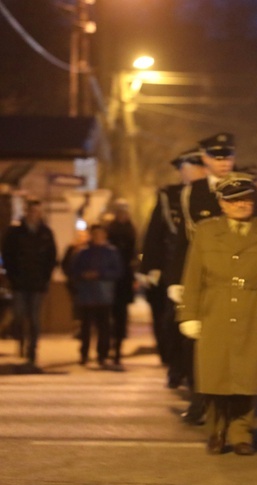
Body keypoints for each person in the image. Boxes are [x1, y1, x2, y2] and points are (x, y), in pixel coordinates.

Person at [178, 172, 257, 455]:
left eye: (246, 199)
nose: (242, 205)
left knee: (249, 377)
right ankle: (216, 430)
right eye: (234, 200)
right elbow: (193, 276)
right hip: (214, 310)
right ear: (221, 203)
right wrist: (188, 315)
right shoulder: (206, 231)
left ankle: (242, 432)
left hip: (253, 310)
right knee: (214, 377)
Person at [171, 133, 236, 424]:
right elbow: (183, 241)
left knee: (232, 343)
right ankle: (199, 400)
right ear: (205, 159)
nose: (223, 163)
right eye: (216, 157)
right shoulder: (191, 192)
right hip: (202, 277)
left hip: (234, 277)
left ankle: (229, 403)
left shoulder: (242, 187)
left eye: (227, 156)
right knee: (194, 343)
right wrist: (177, 280)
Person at [140, 147, 206, 388]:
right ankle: (177, 365)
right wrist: (149, 266)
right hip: (176, 267)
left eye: (195, 167)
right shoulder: (171, 195)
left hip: (205, 266)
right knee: (173, 321)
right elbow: (155, 232)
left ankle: (194, 371)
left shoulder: (212, 192)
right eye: (187, 169)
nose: (191, 172)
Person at [1, 198, 57, 366]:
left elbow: (52, 257)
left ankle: (32, 350)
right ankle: (21, 341)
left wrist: (46, 277)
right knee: (18, 315)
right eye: (32, 211)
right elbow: (8, 254)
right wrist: (12, 276)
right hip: (19, 282)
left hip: (38, 283)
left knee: (34, 316)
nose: (35, 214)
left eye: (38, 211)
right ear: (27, 212)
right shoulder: (15, 231)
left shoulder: (46, 232)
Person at [71, 224, 123, 369]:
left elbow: (118, 271)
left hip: (104, 294)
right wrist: (84, 275)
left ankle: (102, 354)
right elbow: (74, 270)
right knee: (86, 327)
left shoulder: (111, 252)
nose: (97, 237)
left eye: (100, 234)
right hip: (87, 295)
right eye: (95, 234)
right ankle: (84, 354)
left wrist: (100, 274)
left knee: (104, 327)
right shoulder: (83, 253)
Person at [106, 198, 137, 367]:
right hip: (110, 278)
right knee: (108, 315)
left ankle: (117, 347)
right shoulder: (110, 229)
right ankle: (108, 346)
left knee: (121, 315)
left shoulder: (130, 230)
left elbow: (133, 254)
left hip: (124, 279)